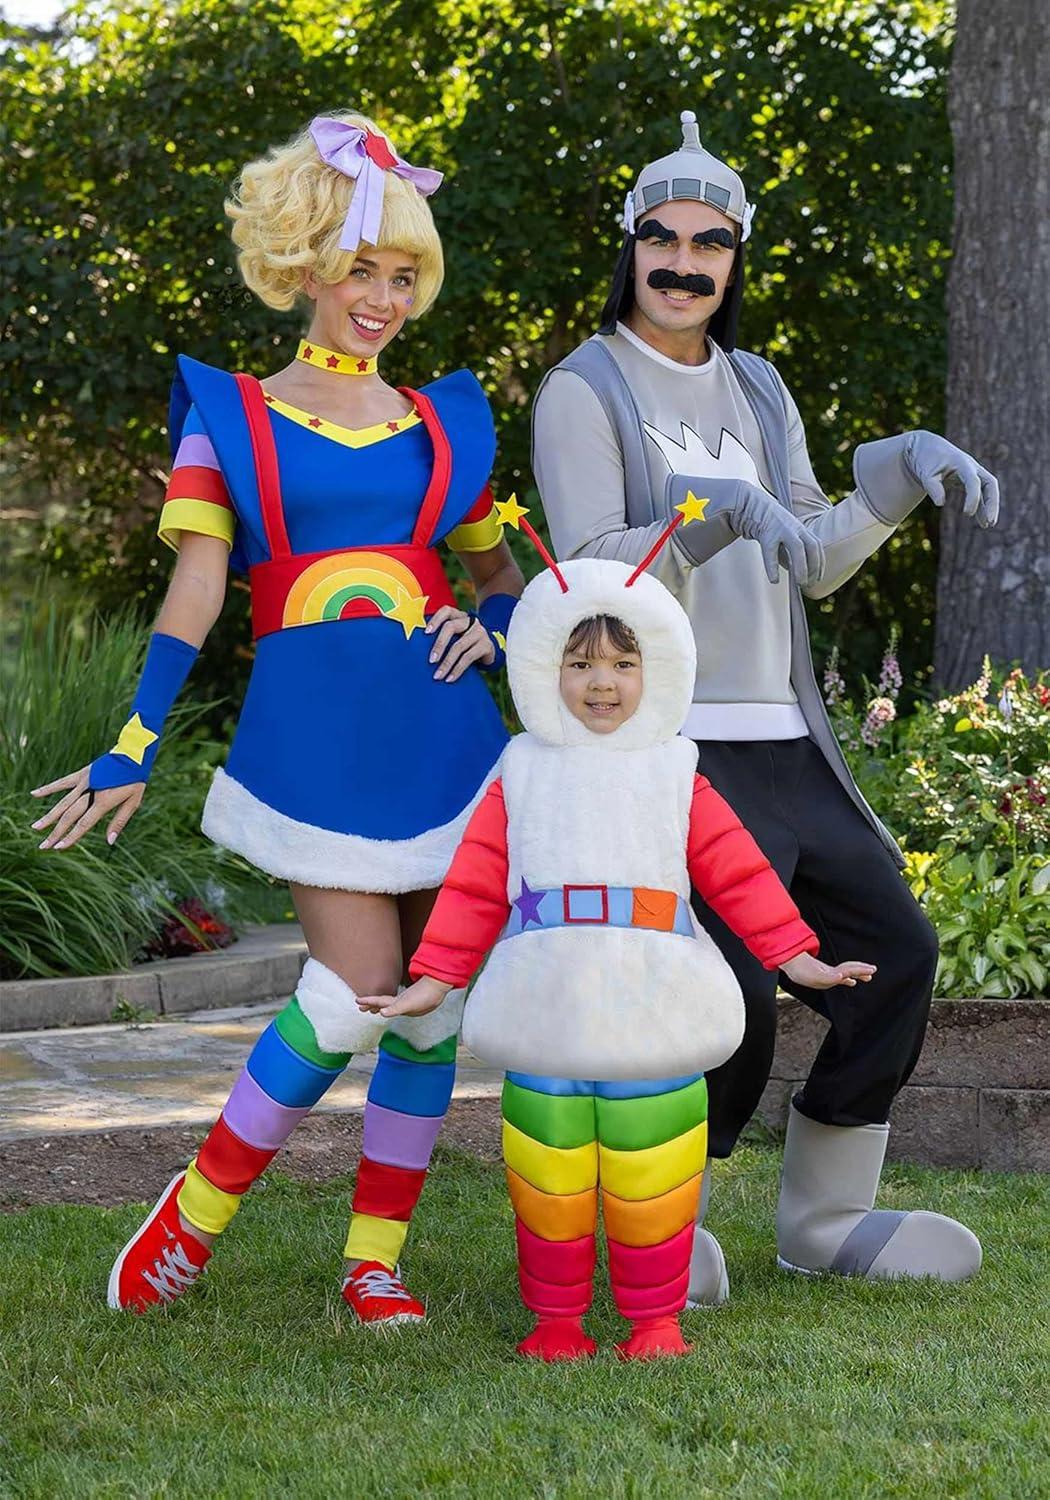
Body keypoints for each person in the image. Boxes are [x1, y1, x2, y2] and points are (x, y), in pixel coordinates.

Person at [30, 111, 523, 1321]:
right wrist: (134, 740)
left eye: (403, 276)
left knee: (433, 1009)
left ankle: (374, 1262)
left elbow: (502, 575)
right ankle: (191, 1219)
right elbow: (196, 591)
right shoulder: (231, 418)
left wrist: (497, 632)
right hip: (317, 742)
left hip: (445, 736)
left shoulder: (442, 424)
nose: (383, 299)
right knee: (349, 998)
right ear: (306, 267)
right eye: (363, 270)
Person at [531, 110, 994, 1299]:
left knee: (897, 954)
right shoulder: (582, 389)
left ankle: (826, 1219)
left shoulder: (759, 383)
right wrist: (704, 513)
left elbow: (811, 556)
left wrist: (893, 482)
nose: (684, 264)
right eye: (663, 239)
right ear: (631, 244)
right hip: (677, 749)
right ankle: (655, 1215)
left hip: (790, 742)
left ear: (736, 259)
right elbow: (589, 578)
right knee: (724, 992)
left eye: (711, 244)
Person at [357, 529, 876, 1361]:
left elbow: (739, 873)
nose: (602, 682)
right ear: (547, 669)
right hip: (547, 1017)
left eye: (623, 664)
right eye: (581, 663)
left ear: (654, 669)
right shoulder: (521, 773)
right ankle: (556, 1324)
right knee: (549, 1185)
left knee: (652, 1182)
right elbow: (476, 887)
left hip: (653, 1017)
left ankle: (656, 1323)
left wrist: (798, 957)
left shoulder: (676, 774)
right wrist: (433, 980)